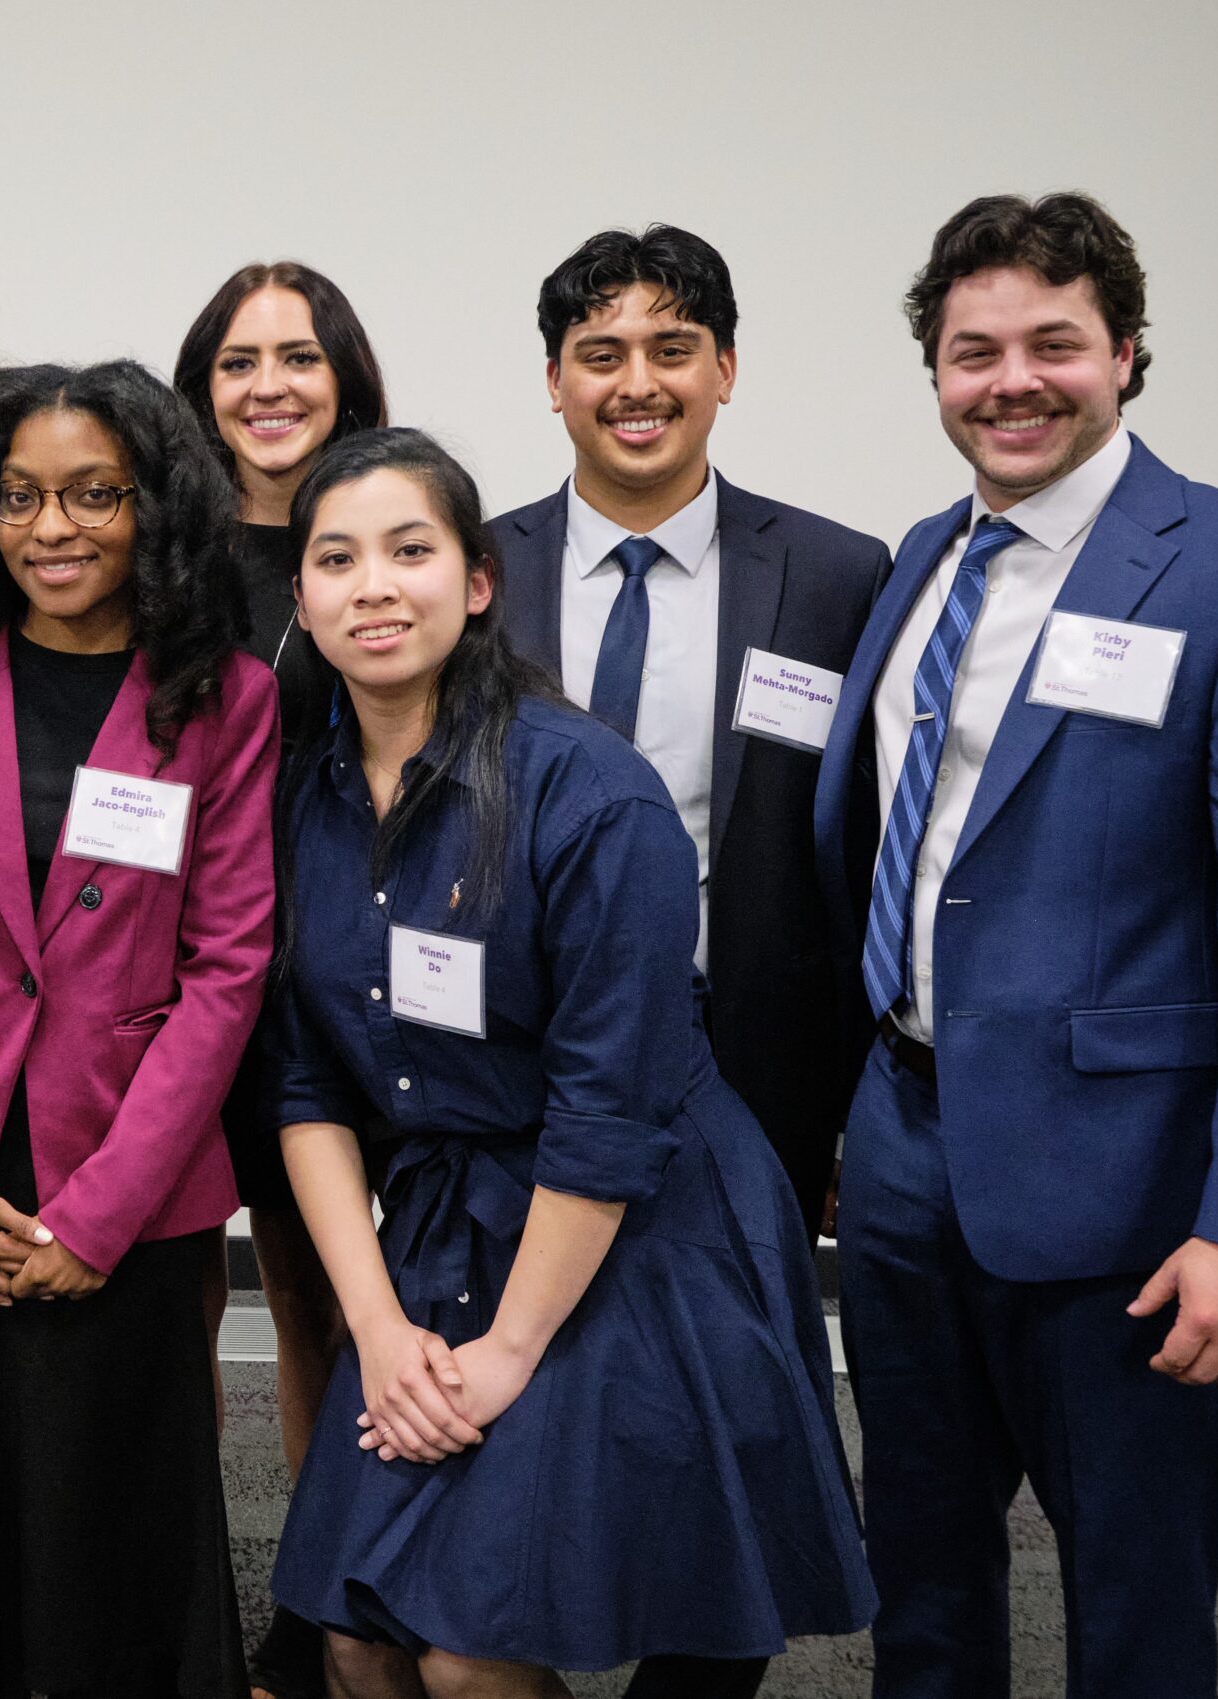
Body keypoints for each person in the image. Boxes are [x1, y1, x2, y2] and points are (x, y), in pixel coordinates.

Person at [266, 428, 872, 1699]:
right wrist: (377, 1332)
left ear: (477, 580)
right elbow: (307, 1084)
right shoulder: (300, 800)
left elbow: (607, 1110)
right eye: (337, 558)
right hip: (445, 1226)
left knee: (468, 1650)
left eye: (409, 550)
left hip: (639, 1225)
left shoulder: (588, 792)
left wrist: (505, 1350)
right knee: (356, 1637)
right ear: (303, 596)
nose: (373, 585)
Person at [813, 192, 1218, 1699]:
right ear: (937, 372)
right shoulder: (921, 557)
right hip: (904, 1154)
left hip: (1130, 1194)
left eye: (1054, 344)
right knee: (924, 1585)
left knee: (1137, 1601)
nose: (1013, 381)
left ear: (1127, 353)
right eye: (974, 351)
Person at [0, 360, 278, 1699]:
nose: (55, 527)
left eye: (95, 494)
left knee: (119, 1541)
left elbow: (227, 965)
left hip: (123, 1178)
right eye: (20, 495)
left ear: (154, 506)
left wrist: (99, 1213)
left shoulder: (225, 694)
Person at [493, 223, 891, 1254]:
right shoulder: (474, 574)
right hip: (515, 1060)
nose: (638, 384)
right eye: (600, 354)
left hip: (757, 1070)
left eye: (671, 350)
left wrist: (851, 1100)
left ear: (724, 369)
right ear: (552, 380)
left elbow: (863, 846)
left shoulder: (836, 577)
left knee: (740, 1378)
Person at [171, 257, 388, 1699]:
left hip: (330, 987)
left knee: (321, 1308)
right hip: (174, 989)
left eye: (298, 357)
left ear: (345, 378)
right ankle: (176, 1609)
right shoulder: (163, 559)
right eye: (239, 361)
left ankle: (316, 1618)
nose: (269, 386)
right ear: (202, 390)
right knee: (167, 1309)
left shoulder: (385, 540)